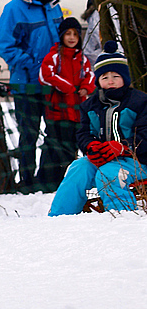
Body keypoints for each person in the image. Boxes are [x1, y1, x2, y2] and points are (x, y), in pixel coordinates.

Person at [49, 42, 147, 215]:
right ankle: (60, 217)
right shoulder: (90, 106)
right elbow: (84, 133)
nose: (110, 81)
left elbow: (145, 135)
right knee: (78, 168)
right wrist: (92, 146)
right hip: (104, 156)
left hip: (138, 161)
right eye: (104, 77)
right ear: (98, 80)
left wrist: (123, 147)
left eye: (115, 76)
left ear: (125, 77)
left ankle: (122, 217)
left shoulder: (140, 102)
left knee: (109, 173)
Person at [0, 0, 63, 192]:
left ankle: (48, 176)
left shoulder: (54, 6)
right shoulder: (13, 10)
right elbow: (5, 46)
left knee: (55, 131)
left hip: (54, 83)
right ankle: (26, 179)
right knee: (29, 134)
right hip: (27, 83)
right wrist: (35, 66)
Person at [37, 17, 95, 188]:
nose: (71, 38)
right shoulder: (54, 56)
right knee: (54, 145)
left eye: (75, 34)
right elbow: (45, 75)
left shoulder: (82, 59)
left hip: (76, 111)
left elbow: (90, 76)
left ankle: (65, 180)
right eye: (68, 34)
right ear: (62, 36)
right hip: (57, 111)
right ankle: (46, 180)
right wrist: (67, 86)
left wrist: (86, 88)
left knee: (71, 146)